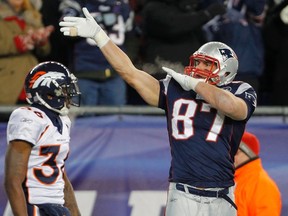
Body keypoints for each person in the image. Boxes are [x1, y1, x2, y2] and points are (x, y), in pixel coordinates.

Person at [59, 8, 257, 216]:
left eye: (206, 64)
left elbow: (234, 109)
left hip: (222, 194)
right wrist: (100, 37)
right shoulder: (177, 88)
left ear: (225, 71)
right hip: (183, 193)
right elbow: (131, 74)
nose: (198, 67)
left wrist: (195, 84)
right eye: (197, 62)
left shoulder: (240, 90)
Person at [4, 61, 82, 216]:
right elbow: (13, 181)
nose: (69, 94)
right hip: (34, 207)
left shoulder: (63, 121)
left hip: (58, 208)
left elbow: (60, 175)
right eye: (64, 89)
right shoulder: (28, 117)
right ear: (49, 92)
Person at [62, 0, 133, 106]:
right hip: (84, 73)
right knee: (82, 120)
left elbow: (131, 38)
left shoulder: (123, 5)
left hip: (115, 74)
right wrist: (88, 26)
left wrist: (127, 64)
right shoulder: (76, 3)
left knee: (116, 120)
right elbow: (65, 30)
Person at [0, 0, 54, 105]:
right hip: (5, 82)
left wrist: (42, 41)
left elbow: (45, 52)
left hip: (30, 82)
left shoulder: (32, 15)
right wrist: (17, 43)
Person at [234, 131, 282, 216]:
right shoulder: (230, 180)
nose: (230, 157)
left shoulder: (262, 185)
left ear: (249, 154)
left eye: (235, 153)